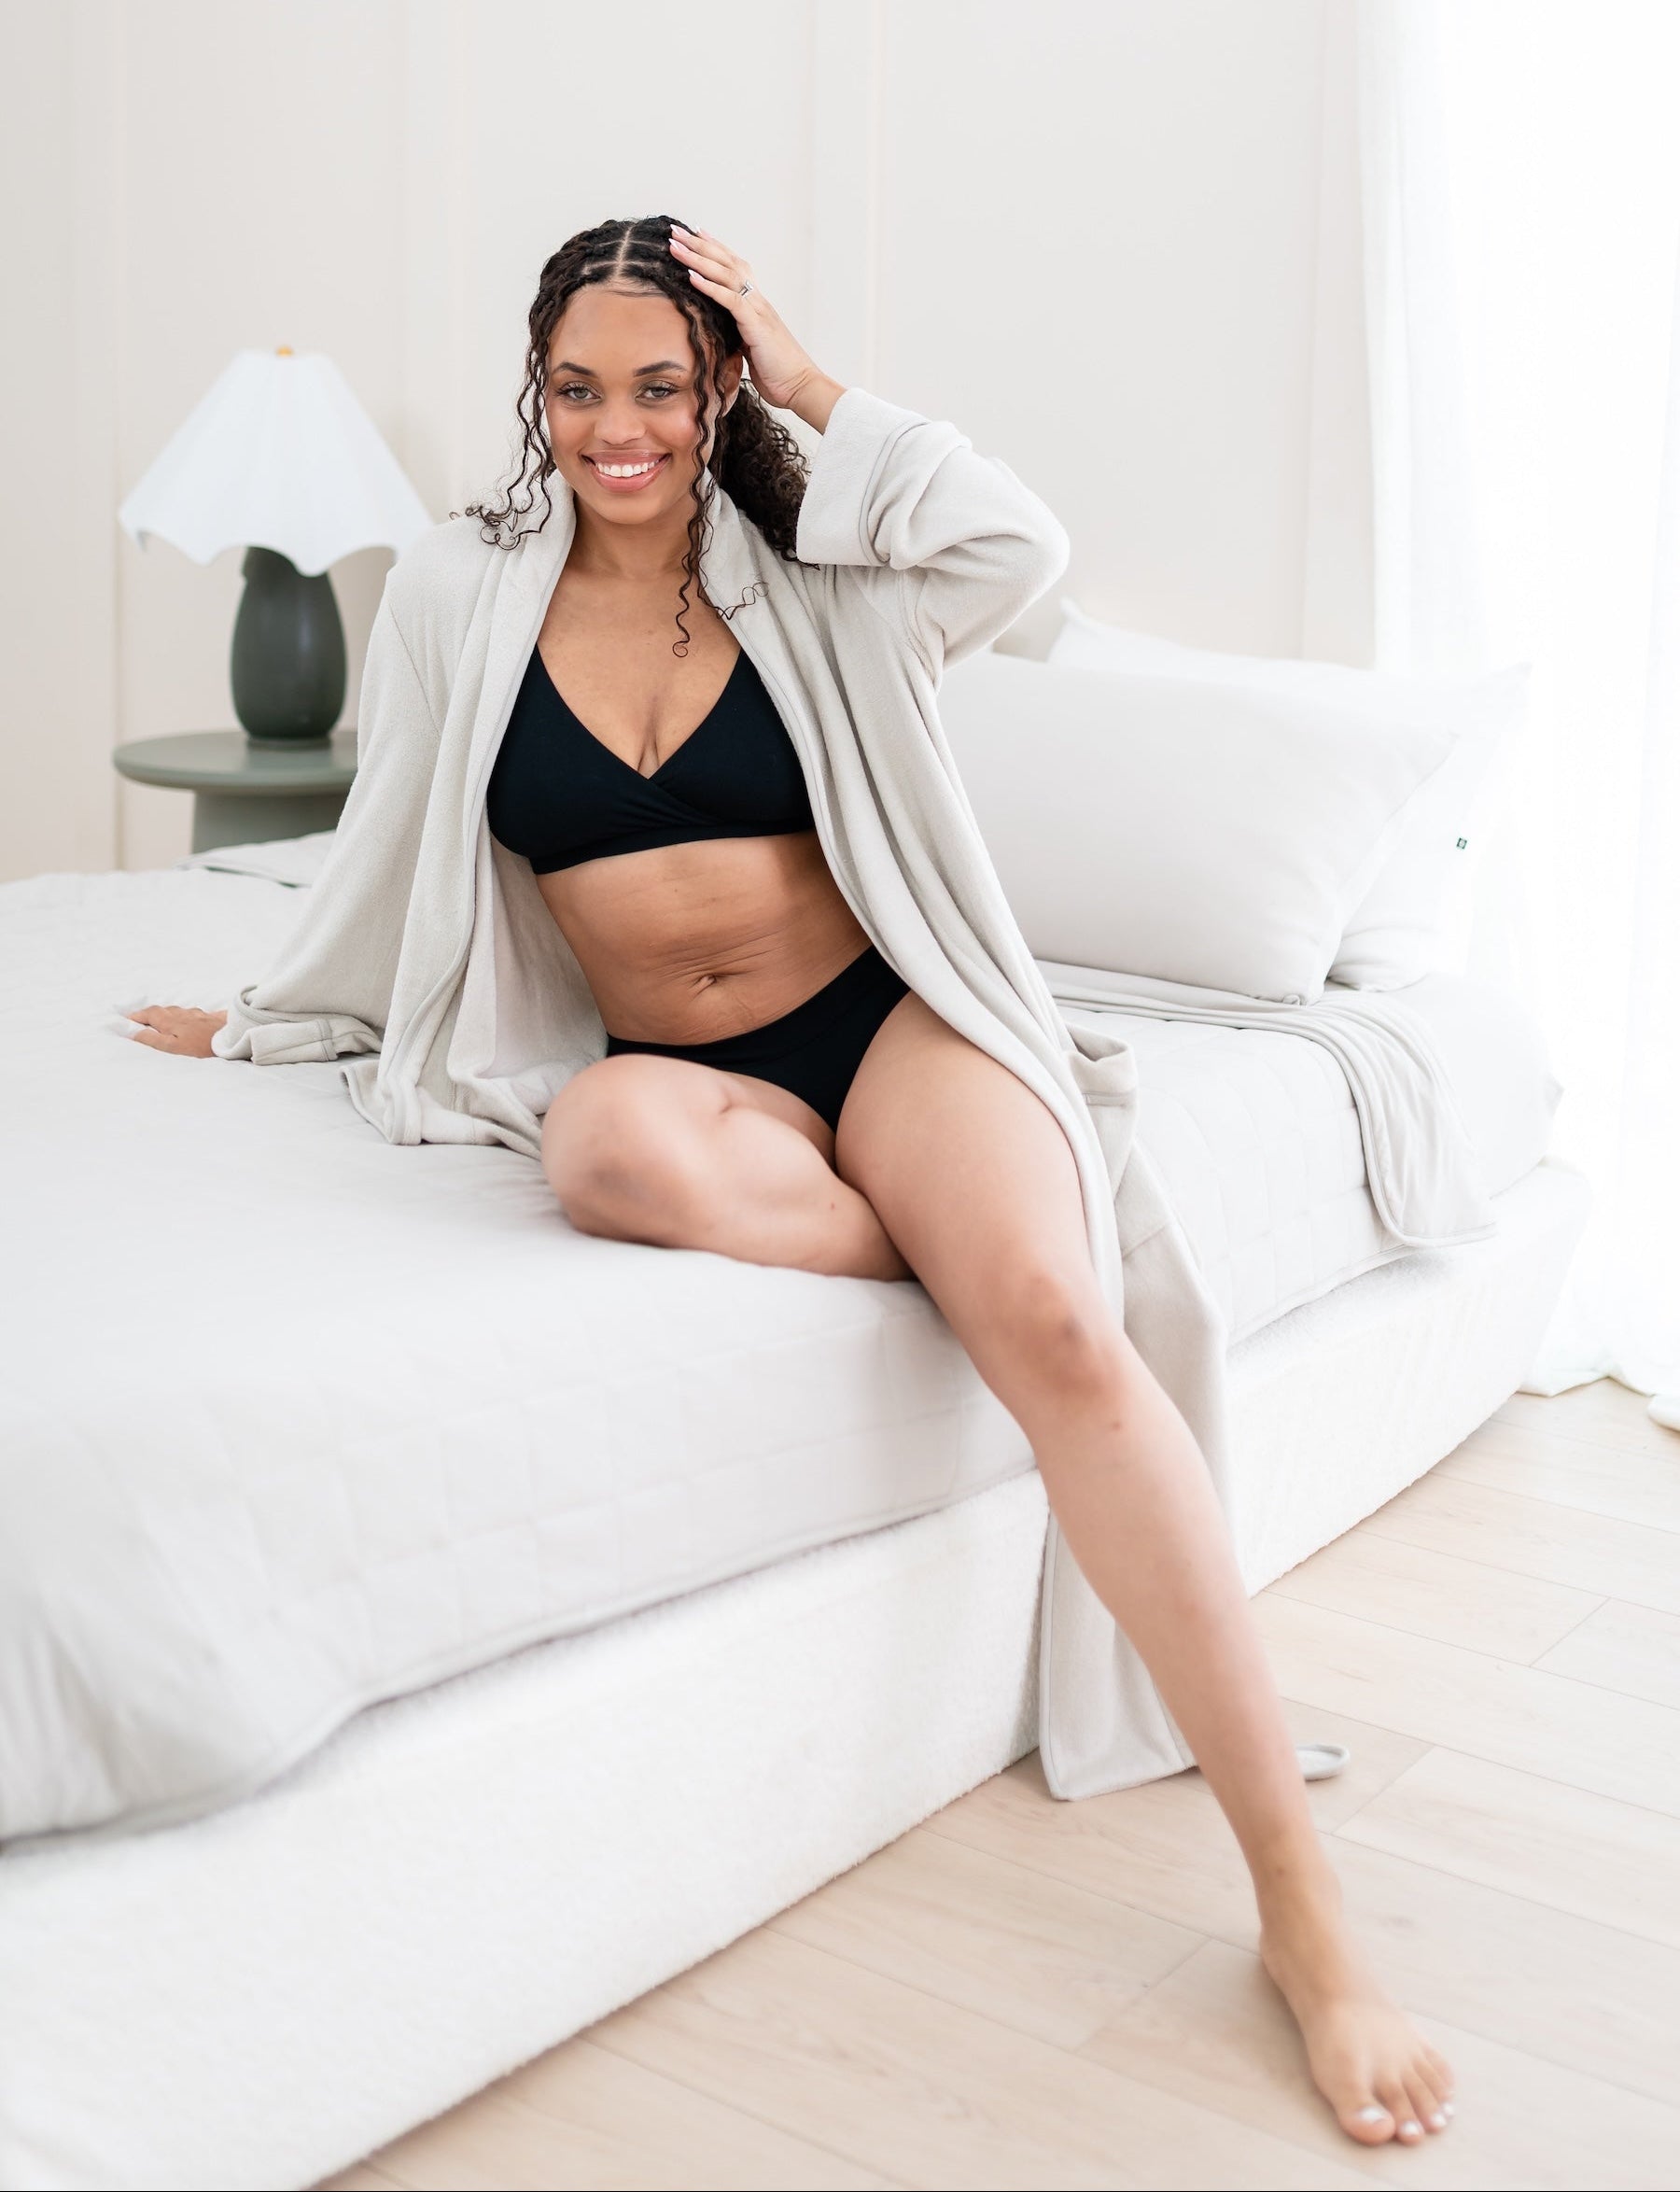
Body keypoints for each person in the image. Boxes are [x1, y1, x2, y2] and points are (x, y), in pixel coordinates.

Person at [133, 215, 1453, 2150]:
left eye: (660, 384)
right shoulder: (458, 589)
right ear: (540, 393)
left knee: (1067, 1334)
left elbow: (1025, 549)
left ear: (718, 386)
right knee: (598, 1148)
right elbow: (392, 831)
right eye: (579, 388)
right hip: (681, 1078)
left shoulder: (822, 569)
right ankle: (926, 1244)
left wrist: (818, 378)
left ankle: (1305, 1916)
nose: (617, 428)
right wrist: (270, 1010)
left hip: (885, 1027)